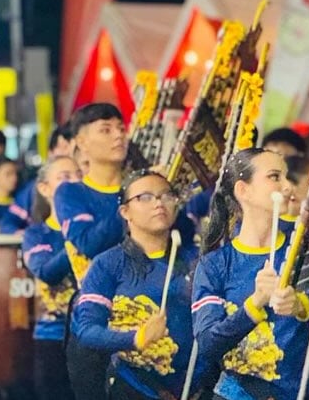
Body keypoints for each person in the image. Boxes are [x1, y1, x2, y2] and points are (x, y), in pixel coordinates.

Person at [191, 148, 309, 400]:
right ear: (243, 190)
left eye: (287, 177)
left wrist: (300, 305)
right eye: (275, 177)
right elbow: (207, 344)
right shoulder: (215, 264)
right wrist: (255, 303)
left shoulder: (307, 252)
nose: (288, 187)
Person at [73, 169, 205, 399]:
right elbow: (86, 330)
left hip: (196, 388)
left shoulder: (199, 261)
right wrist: (136, 338)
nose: (159, 203)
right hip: (133, 386)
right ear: (125, 212)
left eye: (167, 195)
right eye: (145, 197)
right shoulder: (108, 264)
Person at [54, 103, 128, 399]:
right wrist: (131, 199)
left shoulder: (145, 186)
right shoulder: (71, 193)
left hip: (148, 312)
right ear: (81, 142)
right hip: (94, 317)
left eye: (121, 129)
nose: (118, 136)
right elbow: (89, 243)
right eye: (106, 130)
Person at [22, 155, 81, 400]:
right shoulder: (37, 234)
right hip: (52, 337)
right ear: (44, 188)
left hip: (92, 337)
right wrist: (79, 237)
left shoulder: (98, 230)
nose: (74, 183)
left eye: (78, 176)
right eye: (65, 177)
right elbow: (47, 272)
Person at [0, 123, 75, 235]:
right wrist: (26, 235)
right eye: (63, 147)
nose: (68, 153)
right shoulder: (33, 190)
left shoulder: (86, 187)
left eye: (73, 148)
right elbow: (7, 223)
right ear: (50, 153)